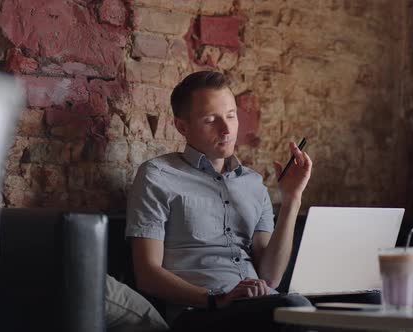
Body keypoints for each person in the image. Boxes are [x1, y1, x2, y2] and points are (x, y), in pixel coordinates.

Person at [126, 71, 313, 331]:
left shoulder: (253, 184)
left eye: (231, 116)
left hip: (259, 307)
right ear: (182, 127)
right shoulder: (157, 176)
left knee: (361, 303)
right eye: (211, 120)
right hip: (199, 313)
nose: (226, 130)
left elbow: (271, 276)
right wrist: (216, 300)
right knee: (297, 311)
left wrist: (292, 197)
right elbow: (147, 274)